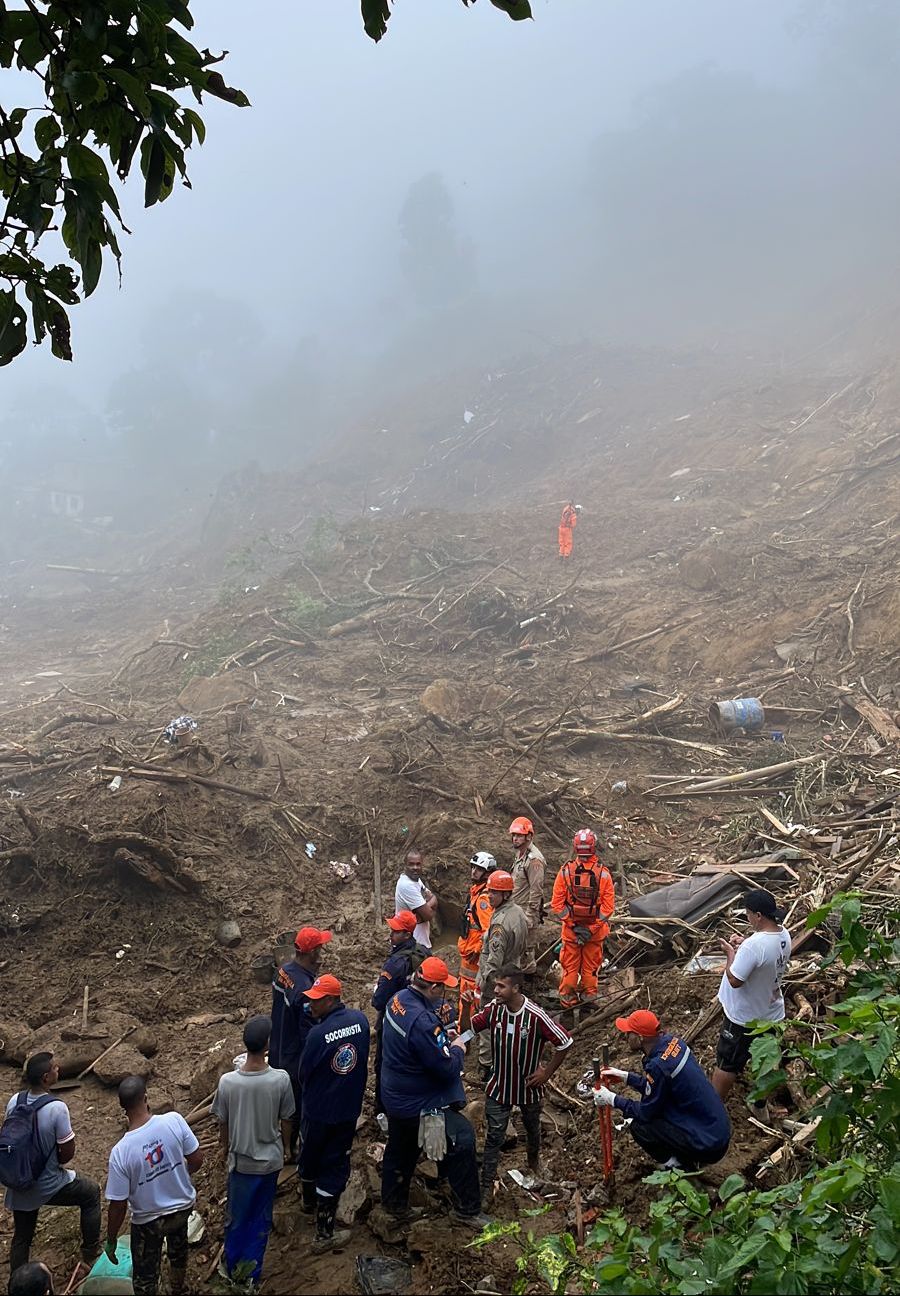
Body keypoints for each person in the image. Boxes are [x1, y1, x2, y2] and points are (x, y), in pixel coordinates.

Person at [380, 956, 488, 1228]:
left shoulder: (398, 999)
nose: (444, 994)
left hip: (395, 1092)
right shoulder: (423, 1021)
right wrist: (456, 1049)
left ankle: (393, 1205)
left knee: (401, 1148)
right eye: (443, 988)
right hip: (418, 1101)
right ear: (434, 987)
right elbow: (446, 1069)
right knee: (462, 1138)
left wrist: (440, 1041)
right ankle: (467, 1210)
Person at [471, 967, 571, 1206]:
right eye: (495, 985)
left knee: (532, 1127)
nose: (496, 990)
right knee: (494, 1136)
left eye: (501, 986)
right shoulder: (494, 1009)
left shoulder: (535, 1016)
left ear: (515, 988)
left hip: (528, 1087)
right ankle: (487, 1185)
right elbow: (471, 1027)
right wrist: (465, 1007)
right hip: (499, 1086)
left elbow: (565, 1042)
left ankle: (534, 1162)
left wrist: (546, 1073)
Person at [212, 1016, 294, 1289]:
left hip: (241, 1164)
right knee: (260, 1219)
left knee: (237, 1218)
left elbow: (223, 1122)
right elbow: (286, 1119)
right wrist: (287, 1147)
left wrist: (224, 1147)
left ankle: (233, 1267)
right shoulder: (280, 1079)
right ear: (267, 1044)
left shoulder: (228, 1082)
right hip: (269, 1163)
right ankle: (252, 1275)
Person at [103, 1076, 203, 1296]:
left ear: (123, 1108)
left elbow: (118, 1205)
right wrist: (177, 1174)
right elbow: (196, 1159)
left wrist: (111, 1239)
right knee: (178, 1251)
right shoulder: (174, 1121)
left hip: (148, 1221)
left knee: (145, 1275)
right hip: (181, 1209)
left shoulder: (121, 1152)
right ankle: (177, 1287)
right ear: (146, 1098)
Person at [593, 1010, 731, 1170]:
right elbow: (658, 1087)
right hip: (717, 1130)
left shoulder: (659, 1066)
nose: (626, 1037)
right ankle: (687, 1154)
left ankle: (680, 1168)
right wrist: (626, 1077)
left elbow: (645, 1113)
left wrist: (612, 1099)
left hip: (710, 1145)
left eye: (629, 1033)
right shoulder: (674, 1043)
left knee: (640, 1127)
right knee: (659, 1110)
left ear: (640, 1037)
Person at [3, 1052, 100, 1275]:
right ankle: (90, 1255)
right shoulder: (57, 1108)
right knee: (91, 1193)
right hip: (47, 1184)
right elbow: (67, 1154)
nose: (59, 1069)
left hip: (18, 1181)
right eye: (55, 1068)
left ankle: (17, 1282)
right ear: (46, 1078)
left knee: (22, 1237)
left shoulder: (14, 1101)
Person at [297, 976, 370, 1252]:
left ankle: (322, 1231)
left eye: (316, 1000)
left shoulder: (317, 1035)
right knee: (334, 1161)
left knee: (318, 1158)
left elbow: (304, 1073)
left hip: (318, 1110)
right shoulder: (360, 1021)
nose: (310, 1005)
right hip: (346, 1108)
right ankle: (316, 1210)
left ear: (330, 1000)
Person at [711, 889, 792, 1102]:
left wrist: (730, 953)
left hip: (744, 1018)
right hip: (771, 1014)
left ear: (758, 915)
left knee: (727, 1063)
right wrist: (745, 943)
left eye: (748, 914)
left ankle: (713, 1108)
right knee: (764, 1062)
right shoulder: (783, 934)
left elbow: (735, 980)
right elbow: (762, 955)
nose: (747, 918)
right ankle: (760, 1105)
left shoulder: (754, 946)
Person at [269, 926, 333, 1159]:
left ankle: (281, 1139)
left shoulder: (283, 971)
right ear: (312, 952)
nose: (322, 952)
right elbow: (309, 1033)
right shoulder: (306, 990)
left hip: (278, 1044)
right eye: (320, 949)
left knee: (281, 1099)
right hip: (294, 1055)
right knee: (295, 1102)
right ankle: (292, 1149)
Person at [372, 912, 430, 1125]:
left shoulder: (395, 963)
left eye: (395, 931)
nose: (391, 935)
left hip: (391, 1020)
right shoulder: (424, 953)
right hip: (416, 1021)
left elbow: (378, 1000)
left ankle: (382, 1109)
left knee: (383, 1064)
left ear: (407, 934)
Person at [550, 828, 615, 1009]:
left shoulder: (565, 872)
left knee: (570, 968)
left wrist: (573, 926)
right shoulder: (603, 874)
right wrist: (591, 929)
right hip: (595, 934)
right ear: (594, 846)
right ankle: (589, 999)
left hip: (572, 933)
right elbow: (608, 908)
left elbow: (557, 904)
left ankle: (567, 1001)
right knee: (590, 968)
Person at [475, 871, 529, 1069]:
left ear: (506, 894)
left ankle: (487, 1063)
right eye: (489, 891)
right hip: (512, 972)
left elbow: (494, 962)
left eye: (495, 893)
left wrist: (485, 985)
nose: (489, 896)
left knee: (488, 1022)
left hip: (496, 980)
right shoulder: (518, 912)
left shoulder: (500, 923)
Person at [457, 852, 496, 1030]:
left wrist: (478, 949)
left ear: (487, 873)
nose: (474, 872)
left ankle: (465, 1033)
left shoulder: (483, 899)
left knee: (469, 998)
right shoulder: (476, 893)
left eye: (479, 869)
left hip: (474, 958)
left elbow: (489, 930)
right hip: (469, 954)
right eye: (473, 867)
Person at [508, 818, 546, 977]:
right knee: (514, 950)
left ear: (529, 836)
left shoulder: (534, 860)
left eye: (519, 835)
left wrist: (530, 917)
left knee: (525, 953)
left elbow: (536, 891)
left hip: (525, 912)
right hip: (515, 909)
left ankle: (528, 983)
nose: (515, 838)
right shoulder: (520, 854)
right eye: (514, 835)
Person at [394, 851, 438, 948]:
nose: (415, 867)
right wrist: (429, 906)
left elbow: (433, 899)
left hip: (418, 943)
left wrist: (425, 907)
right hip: (411, 946)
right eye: (411, 864)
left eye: (418, 864)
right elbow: (429, 915)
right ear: (405, 865)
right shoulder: (407, 885)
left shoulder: (416, 880)